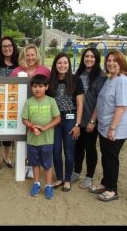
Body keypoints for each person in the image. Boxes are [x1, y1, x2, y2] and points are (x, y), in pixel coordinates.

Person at [88, 51, 127, 202]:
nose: (111, 63)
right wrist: (93, 121)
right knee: (106, 157)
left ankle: (112, 190)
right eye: (109, 60)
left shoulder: (123, 80)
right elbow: (100, 103)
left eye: (115, 61)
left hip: (115, 128)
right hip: (104, 127)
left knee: (111, 158)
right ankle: (105, 183)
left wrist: (113, 128)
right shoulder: (109, 79)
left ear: (121, 63)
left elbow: (121, 107)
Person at [11, 43, 51, 178]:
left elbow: (49, 90)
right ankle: (25, 164)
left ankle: (34, 165)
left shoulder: (45, 70)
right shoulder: (16, 71)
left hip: (39, 109)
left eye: (32, 55)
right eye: (27, 55)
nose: (30, 58)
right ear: (23, 56)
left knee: (36, 138)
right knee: (23, 137)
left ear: (37, 55)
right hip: (21, 109)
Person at [47, 53, 84, 192]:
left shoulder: (75, 80)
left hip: (71, 119)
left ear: (69, 65)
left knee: (69, 151)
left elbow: (80, 104)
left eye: (65, 63)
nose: (62, 66)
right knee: (56, 151)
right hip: (55, 120)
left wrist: (77, 125)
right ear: (55, 65)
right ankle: (59, 178)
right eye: (59, 63)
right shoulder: (50, 81)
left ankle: (67, 179)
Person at [71, 48, 106, 189]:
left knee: (90, 148)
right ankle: (77, 171)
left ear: (96, 59)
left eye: (92, 56)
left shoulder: (101, 76)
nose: (89, 59)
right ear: (83, 58)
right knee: (78, 148)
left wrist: (93, 120)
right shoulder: (78, 74)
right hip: (78, 119)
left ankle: (89, 176)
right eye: (87, 56)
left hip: (91, 119)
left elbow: (100, 101)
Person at [21, 74, 61, 199]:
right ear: (31, 88)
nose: (37, 89)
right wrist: (32, 127)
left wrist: (45, 128)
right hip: (33, 140)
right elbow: (24, 119)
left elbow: (57, 118)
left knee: (47, 164)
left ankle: (48, 186)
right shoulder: (28, 102)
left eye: (40, 86)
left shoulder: (51, 101)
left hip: (47, 140)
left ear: (46, 87)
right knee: (35, 163)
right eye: (34, 86)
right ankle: (36, 183)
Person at [0, 36, 19, 169]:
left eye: (9, 46)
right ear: (0, 48)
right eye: (4, 46)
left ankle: (6, 156)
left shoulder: (19, 63)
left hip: (13, 102)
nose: (7, 48)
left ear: (13, 47)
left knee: (9, 129)